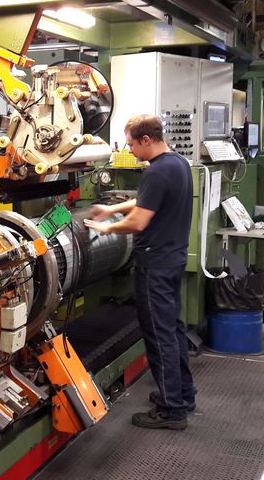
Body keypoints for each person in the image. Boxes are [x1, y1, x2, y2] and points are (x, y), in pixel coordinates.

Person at [84, 114, 196, 430]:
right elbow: (144, 202)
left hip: (155, 266)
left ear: (146, 140)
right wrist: (112, 208)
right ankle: (184, 395)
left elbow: (138, 221)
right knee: (173, 331)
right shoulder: (177, 164)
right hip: (172, 261)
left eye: (132, 144)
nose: (130, 151)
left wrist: (106, 228)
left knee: (160, 338)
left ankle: (171, 410)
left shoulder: (158, 173)